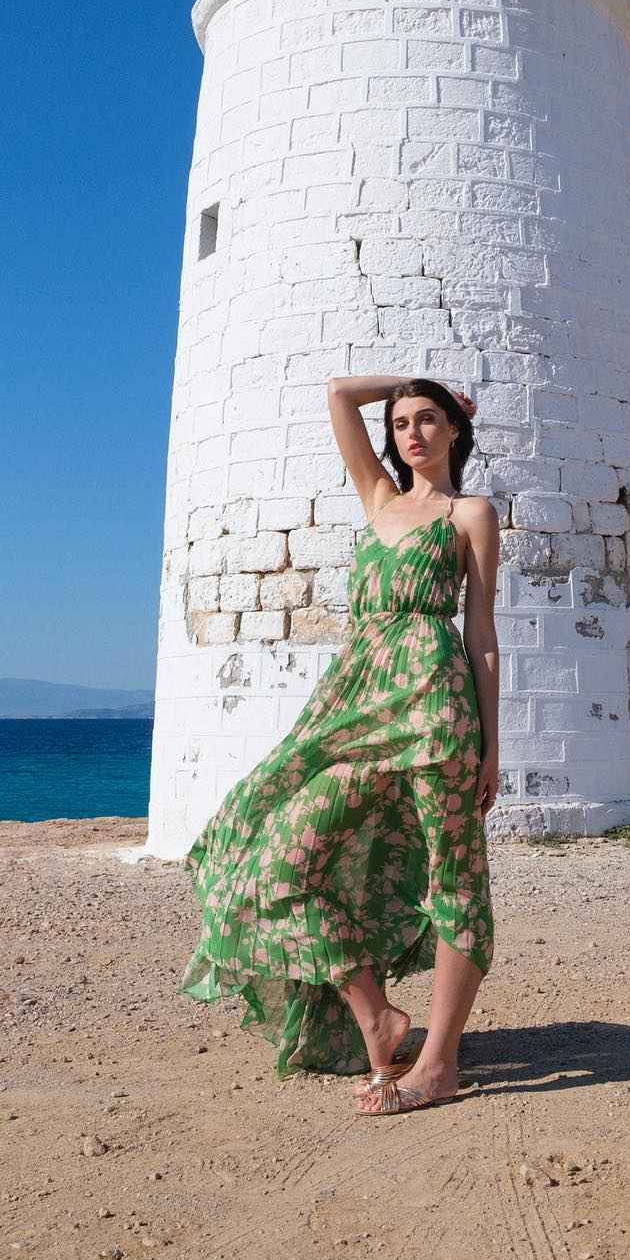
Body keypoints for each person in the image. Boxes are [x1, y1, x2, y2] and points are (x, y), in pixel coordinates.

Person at [178, 375, 501, 1117]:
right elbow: (337, 397)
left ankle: (440, 1062)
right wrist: (414, 382)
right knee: (275, 857)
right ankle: (375, 1016)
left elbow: (481, 638)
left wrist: (491, 747)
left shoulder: (470, 514)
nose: (411, 433)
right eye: (401, 424)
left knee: (455, 879)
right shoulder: (378, 500)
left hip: (437, 708)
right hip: (357, 704)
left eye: (428, 419)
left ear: (454, 430)